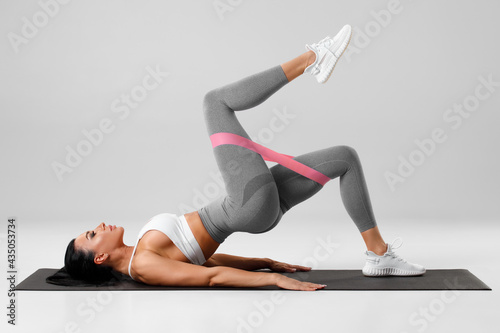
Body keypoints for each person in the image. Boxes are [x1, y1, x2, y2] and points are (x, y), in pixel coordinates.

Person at [63, 25, 425, 291]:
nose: (99, 225)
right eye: (92, 235)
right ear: (98, 258)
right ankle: (313, 58)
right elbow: (210, 277)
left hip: (256, 208)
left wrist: (265, 263)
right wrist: (278, 283)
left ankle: (379, 254)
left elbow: (208, 260)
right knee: (214, 103)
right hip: (245, 204)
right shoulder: (142, 264)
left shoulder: (141, 254)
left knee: (344, 158)